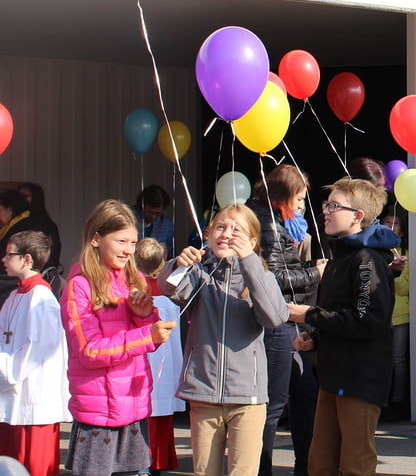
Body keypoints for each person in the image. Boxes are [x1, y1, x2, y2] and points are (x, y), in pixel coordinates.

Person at [158, 204, 289, 476]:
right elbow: (168, 287)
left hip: (247, 397)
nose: (226, 234)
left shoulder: (260, 276)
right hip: (203, 392)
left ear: (252, 241)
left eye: (236, 230)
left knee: (243, 471)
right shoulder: (199, 273)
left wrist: (249, 261)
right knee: (204, 471)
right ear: (208, 234)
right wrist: (178, 264)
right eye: (220, 227)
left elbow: (275, 317)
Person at [286, 178, 399, 476]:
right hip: (332, 376)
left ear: (357, 216)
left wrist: (310, 315)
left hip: (359, 379)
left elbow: (366, 321)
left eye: (334, 206)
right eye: (327, 204)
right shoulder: (341, 256)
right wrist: (315, 337)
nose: (325, 211)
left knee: (354, 463)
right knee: (320, 463)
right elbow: (340, 314)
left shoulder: (366, 260)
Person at [61, 200, 176, 476]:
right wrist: (146, 334)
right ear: (96, 239)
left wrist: (145, 316)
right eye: (121, 241)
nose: (128, 250)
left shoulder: (133, 279)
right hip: (97, 416)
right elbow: (89, 351)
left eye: (133, 242)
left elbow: (149, 340)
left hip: (134, 410)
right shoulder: (79, 286)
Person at [245, 165, 326, 476]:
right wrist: (315, 273)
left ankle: (305, 466)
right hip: (277, 321)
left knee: (303, 395)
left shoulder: (272, 217)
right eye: (300, 197)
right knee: (275, 404)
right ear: (285, 194)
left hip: (287, 319)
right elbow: (274, 278)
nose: (302, 203)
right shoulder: (266, 221)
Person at [0, 231, 70, 476]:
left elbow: (38, 351)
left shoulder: (41, 299)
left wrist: (5, 371)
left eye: (9, 254)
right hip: (11, 394)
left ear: (27, 259)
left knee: (33, 465)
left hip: (32, 396)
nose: (3, 259)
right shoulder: (15, 295)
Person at [133, 238, 183, 476]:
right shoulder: (169, 296)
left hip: (143, 363)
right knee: (158, 417)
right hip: (166, 367)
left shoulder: (135, 294)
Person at [0, 191, 61, 307]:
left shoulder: (29, 226)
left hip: (15, 285)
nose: (4, 259)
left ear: (9, 209)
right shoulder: (23, 224)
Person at [381, 207, 411, 422]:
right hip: (380, 314)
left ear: (402, 230)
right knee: (381, 359)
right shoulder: (376, 251)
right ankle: (381, 399)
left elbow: (405, 287)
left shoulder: (406, 253)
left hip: (400, 313)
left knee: (398, 359)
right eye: (387, 222)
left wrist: (393, 273)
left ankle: (398, 400)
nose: (391, 227)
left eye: (396, 223)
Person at [16, 184, 62, 271]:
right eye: (19, 196)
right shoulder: (16, 220)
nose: (20, 199)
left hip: (37, 270)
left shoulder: (45, 223)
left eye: (25, 196)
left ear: (36, 199)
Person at [134, 185, 175, 256]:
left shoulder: (167, 225)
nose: (153, 216)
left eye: (157, 214)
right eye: (149, 212)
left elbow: (170, 254)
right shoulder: (128, 218)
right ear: (141, 206)